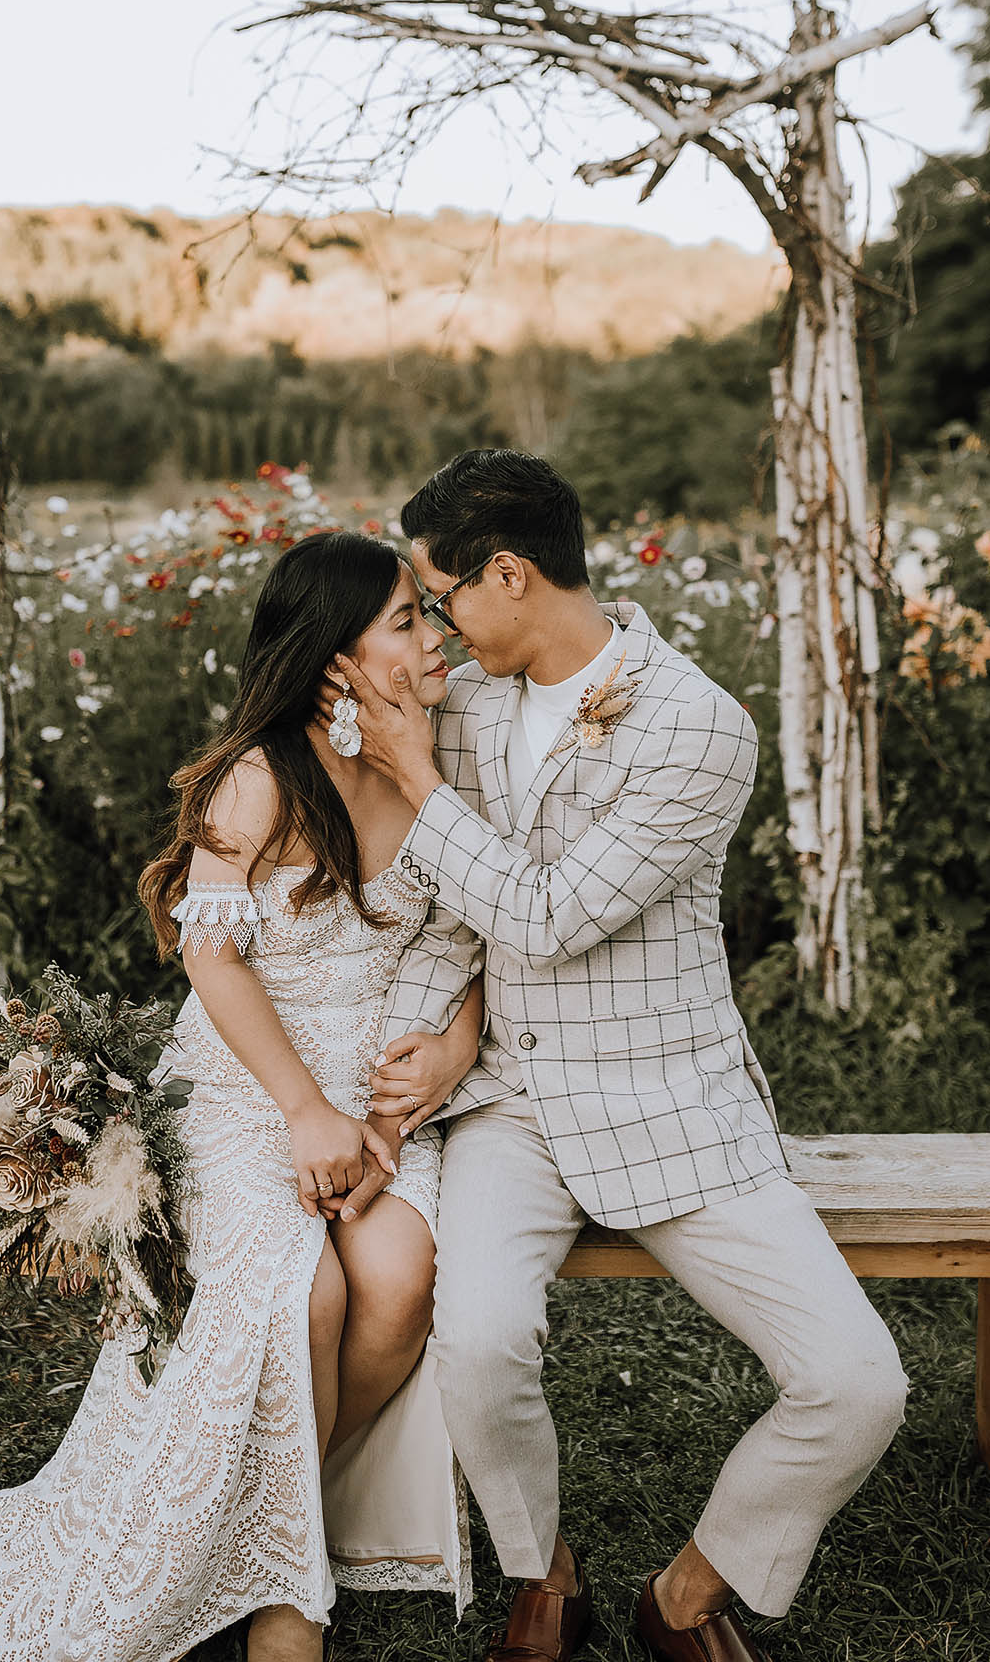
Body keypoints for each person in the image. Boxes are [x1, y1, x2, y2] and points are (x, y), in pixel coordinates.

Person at [0, 530, 479, 1662]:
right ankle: (284, 1599)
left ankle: (229, 1530)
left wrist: (445, 1052)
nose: (434, 633)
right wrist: (309, 1114)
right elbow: (212, 966)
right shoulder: (256, 778)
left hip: (388, 1098)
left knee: (400, 1282)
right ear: (332, 660)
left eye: (426, 612)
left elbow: (469, 934)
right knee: (295, 1295)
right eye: (408, 618)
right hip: (251, 1087)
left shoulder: (437, 755)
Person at [331, 449, 908, 1662]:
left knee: (859, 1382)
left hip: (668, 1096)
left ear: (510, 573)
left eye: (442, 597)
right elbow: (364, 769)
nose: (434, 626)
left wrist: (419, 777)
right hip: (508, 1103)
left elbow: (540, 914)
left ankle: (687, 1593)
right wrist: (449, 1039)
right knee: (476, 1343)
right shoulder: (468, 699)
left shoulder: (700, 727)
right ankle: (543, 1571)